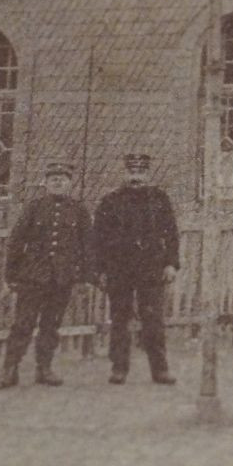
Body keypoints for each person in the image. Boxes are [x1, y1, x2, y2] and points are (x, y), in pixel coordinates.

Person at [93, 152, 179, 385]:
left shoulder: (160, 199)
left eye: (141, 172)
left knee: (153, 319)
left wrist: (171, 264)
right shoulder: (110, 201)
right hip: (119, 268)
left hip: (151, 268)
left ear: (148, 173)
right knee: (119, 319)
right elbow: (98, 238)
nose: (136, 177)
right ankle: (119, 368)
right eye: (132, 172)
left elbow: (171, 234)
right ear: (125, 173)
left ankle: (160, 369)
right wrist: (100, 270)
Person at [3, 160, 91, 387]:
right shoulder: (34, 207)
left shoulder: (78, 210)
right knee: (23, 323)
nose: (58, 182)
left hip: (62, 278)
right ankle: (10, 369)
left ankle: (44, 369)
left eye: (63, 179)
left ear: (70, 183)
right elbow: (16, 241)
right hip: (33, 276)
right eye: (54, 179)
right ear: (46, 183)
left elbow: (87, 245)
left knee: (51, 325)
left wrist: (83, 277)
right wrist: (11, 275)